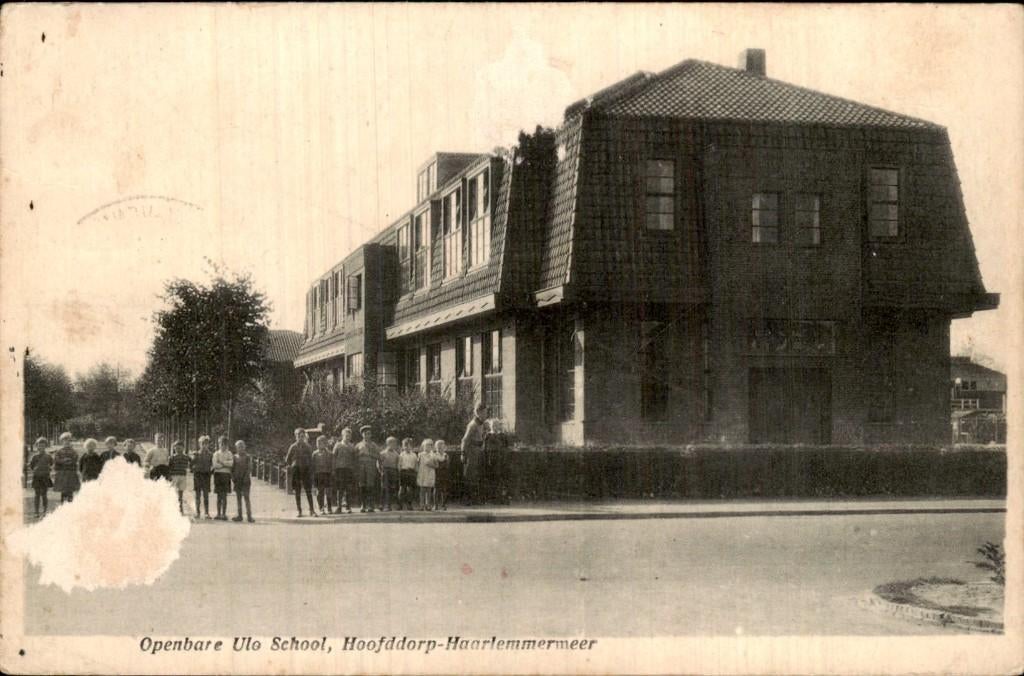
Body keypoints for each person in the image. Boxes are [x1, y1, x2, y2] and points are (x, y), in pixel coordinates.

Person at [461, 402, 488, 504]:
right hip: (471, 452)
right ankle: (467, 499)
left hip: (478, 452)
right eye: (484, 413)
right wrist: (463, 453)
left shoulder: (481, 424)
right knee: (470, 476)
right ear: (478, 412)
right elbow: (464, 440)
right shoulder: (472, 425)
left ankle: (475, 499)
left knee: (477, 476)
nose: (485, 415)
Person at [284, 428, 315, 517]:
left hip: (306, 470)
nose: (300, 438)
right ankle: (299, 510)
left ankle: (312, 510)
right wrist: (292, 465)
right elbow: (287, 459)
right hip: (296, 470)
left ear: (304, 437)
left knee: (308, 490)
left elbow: (311, 459)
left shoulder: (308, 447)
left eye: (302, 436)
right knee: (297, 491)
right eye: (298, 436)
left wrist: (310, 469)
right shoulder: (293, 447)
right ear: (296, 437)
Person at [483, 419, 511, 504]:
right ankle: (492, 498)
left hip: (501, 459)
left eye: (497, 425)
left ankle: (500, 498)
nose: (495, 427)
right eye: (493, 425)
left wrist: (504, 455)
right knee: (492, 478)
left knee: (501, 478)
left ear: (499, 426)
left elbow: (506, 447)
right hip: (491, 459)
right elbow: (485, 449)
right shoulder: (488, 436)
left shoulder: (502, 435)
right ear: (490, 426)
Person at [355, 425, 380, 513]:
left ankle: (371, 505)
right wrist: (360, 454)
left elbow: (378, 456)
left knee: (370, 486)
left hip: (370, 468)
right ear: (362, 435)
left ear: (371, 435)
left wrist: (369, 454)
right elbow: (354, 457)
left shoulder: (374, 445)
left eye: (369, 434)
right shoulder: (358, 445)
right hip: (361, 468)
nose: (367, 435)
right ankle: (363, 505)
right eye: (365, 434)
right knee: (362, 486)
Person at [332, 428, 357, 514]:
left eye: (349, 436)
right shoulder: (338, 445)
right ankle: (339, 507)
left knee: (348, 489)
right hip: (340, 470)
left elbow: (354, 459)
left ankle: (348, 507)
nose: (348, 437)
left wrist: (354, 469)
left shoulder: (352, 446)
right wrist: (334, 469)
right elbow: (334, 457)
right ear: (342, 436)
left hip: (349, 470)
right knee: (340, 489)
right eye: (346, 435)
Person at [28, 437, 53, 518]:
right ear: (37, 446)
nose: (41, 447)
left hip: (45, 477)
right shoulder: (34, 457)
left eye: (43, 445)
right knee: (37, 495)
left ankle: (45, 511)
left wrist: (47, 469)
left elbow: (51, 464)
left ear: (45, 446)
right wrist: (36, 469)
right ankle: (36, 512)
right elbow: (31, 466)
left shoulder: (48, 456)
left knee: (44, 495)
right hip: (37, 477)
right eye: (39, 445)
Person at [52, 432, 80, 503]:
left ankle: (70, 508)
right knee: (63, 491)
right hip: (62, 473)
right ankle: (63, 507)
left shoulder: (74, 451)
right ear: (62, 441)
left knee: (70, 491)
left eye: (69, 440)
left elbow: (75, 459)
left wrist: (69, 461)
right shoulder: (59, 451)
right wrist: (63, 461)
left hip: (71, 473)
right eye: (65, 440)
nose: (67, 442)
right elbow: (56, 460)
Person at [191, 435, 214, 519]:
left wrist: (211, 471)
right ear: (199, 444)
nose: (204, 445)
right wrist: (194, 468)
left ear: (208, 444)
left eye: (206, 444)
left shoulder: (211, 454)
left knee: (206, 495)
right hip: (197, 476)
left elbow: (213, 465)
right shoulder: (195, 453)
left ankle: (206, 513)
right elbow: (191, 464)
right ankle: (197, 512)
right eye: (202, 444)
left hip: (206, 476)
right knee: (197, 495)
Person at [212, 436, 234, 520]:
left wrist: (221, 463)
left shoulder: (229, 453)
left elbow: (231, 463)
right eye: (221, 444)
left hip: (226, 475)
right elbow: (215, 465)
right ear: (219, 444)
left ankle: (224, 514)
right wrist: (225, 464)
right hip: (218, 475)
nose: (223, 446)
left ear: (227, 445)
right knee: (218, 496)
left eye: (225, 444)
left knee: (224, 496)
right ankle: (218, 513)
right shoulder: (216, 453)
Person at [232, 440, 254, 523]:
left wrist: (246, 477)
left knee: (246, 498)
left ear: (244, 447)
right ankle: (239, 515)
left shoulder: (248, 457)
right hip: (237, 480)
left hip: (245, 480)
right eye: (238, 447)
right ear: (236, 448)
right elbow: (232, 468)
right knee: (238, 498)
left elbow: (249, 468)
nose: (240, 448)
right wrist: (233, 477)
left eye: (242, 446)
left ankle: (249, 516)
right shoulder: (234, 457)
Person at [312, 435, 334, 515]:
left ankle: (329, 507)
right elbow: (313, 466)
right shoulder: (314, 454)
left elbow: (332, 464)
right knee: (320, 492)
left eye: (321, 443)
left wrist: (332, 473)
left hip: (327, 474)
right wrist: (313, 476)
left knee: (328, 491)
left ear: (325, 444)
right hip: (318, 475)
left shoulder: (330, 453)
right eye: (318, 443)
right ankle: (321, 507)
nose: (319, 445)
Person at [168, 440, 190, 515]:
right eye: (176, 448)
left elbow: (191, 463)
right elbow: (169, 467)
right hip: (174, 476)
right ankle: (173, 509)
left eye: (180, 447)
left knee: (180, 493)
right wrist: (170, 476)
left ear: (183, 448)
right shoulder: (172, 458)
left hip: (182, 476)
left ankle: (180, 509)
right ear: (174, 448)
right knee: (174, 493)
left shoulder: (186, 457)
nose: (178, 449)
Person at [378, 436, 400, 511]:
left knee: (391, 489)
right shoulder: (383, 453)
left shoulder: (396, 454)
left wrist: (396, 472)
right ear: (388, 443)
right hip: (385, 471)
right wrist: (381, 471)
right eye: (392, 443)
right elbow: (379, 463)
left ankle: (389, 505)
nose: (393, 445)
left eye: (394, 443)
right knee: (384, 488)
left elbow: (397, 464)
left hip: (393, 471)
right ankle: (381, 504)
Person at [416, 438, 438, 511]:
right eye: (426, 446)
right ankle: (421, 505)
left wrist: (431, 464)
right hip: (422, 474)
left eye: (429, 446)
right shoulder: (420, 455)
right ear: (423, 446)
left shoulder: (433, 455)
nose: (427, 447)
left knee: (428, 490)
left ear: (432, 447)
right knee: (422, 490)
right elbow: (417, 464)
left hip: (430, 474)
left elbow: (436, 465)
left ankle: (428, 505)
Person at [397, 437, 418, 511]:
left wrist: (415, 472)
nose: (407, 447)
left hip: (411, 472)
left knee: (410, 490)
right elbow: (399, 465)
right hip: (403, 472)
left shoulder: (414, 455)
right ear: (403, 447)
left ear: (412, 446)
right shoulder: (401, 455)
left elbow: (416, 465)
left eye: (409, 445)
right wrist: (399, 472)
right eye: (405, 445)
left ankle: (409, 504)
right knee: (402, 489)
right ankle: (400, 505)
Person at [433, 439, 450, 511]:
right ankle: (435, 505)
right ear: (435, 448)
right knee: (436, 490)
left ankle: (443, 505)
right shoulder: (434, 455)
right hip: (436, 474)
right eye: (438, 447)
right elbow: (434, 465)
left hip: (444, 474)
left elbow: (447, 465)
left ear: (444, 447)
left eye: (441, 447)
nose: (440, 448)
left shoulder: (446, 455)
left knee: (444, 490)